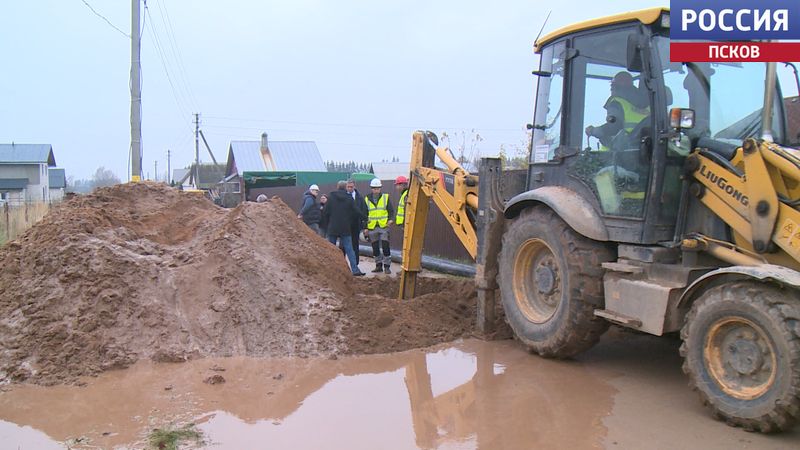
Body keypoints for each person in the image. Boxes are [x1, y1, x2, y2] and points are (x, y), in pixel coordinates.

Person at [585, 71, 649, 150]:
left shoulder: (616, 103)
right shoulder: (650, 105)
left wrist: (594, 131)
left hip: (618, 155)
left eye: (612, 85)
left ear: (615, 87)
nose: (611, 89)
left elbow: (614, 127)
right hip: (643, 150)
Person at [322, 181, 366, 276]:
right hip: (345, 228)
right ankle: (355, 270)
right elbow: (356, 211)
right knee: (350, 249)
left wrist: (327, 224)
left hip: (333, 228)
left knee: (331, 248)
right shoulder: (349, 198)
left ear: (337, 187)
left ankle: (330, 269)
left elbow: (325, 212)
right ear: (345, 187)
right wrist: (365, 218)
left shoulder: (331, 198)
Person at [364, 178, 394, 274]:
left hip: (383, 226)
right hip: (372, 226)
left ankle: (387, 266)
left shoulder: (385, 197)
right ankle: (378, 265)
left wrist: (390, 220)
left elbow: (391, 210)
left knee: (385, 246)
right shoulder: (366, 199)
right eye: (374, 188)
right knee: (375, 247)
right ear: (371, 188)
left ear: (380, 188)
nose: (376, 190)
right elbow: (364, 214)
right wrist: (365, 227)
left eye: (377, 188)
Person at [346, 179, 367, 261]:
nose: (350, 188)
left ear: (354, 187)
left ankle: (356, 264)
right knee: (344, 245)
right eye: (348, 187)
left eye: (351, 187)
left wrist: (364, 226)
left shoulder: (360, 198)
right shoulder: (343, 197)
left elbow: (364, 211)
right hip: (345, 224)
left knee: (355, 244)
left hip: (356, 224)